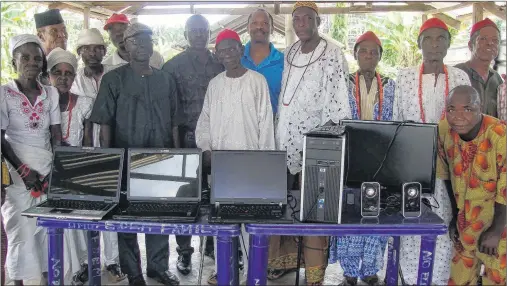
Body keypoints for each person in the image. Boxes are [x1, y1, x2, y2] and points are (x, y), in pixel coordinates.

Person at [89, 23, 180, 286]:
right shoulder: (113, 79)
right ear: (125, 46)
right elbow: (104, 122)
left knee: (159, 215)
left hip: (161, 161)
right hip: (126, 161)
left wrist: (174, 157)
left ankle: (158, 267)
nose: (143, 45)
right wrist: (110, 163)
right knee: (126, 219)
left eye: (147, 40)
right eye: (136, 41)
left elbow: (175, 122)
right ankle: (135, 273)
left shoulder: (165, 79)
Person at [270, 2, 351, 285]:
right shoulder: (290, 52)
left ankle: (315, 275)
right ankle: (284, 263)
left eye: (308, 18)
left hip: (316, 144)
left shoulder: (332, 53)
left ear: (318, 22)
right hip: (284, 141)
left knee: (315, 209)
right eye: (297, 19)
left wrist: (323, 144)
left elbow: (339, 106)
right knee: (284, 206)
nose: (301, 23)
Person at [393, 18, 471, 285]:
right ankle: (409, 278)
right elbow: (396, 123)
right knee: (409, 219)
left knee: (446, 219)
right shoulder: (403, 77)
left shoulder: (460, 77)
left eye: (441, 39)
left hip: (450, 167)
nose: (435, 45)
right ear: (419, 44)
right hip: (410, 165)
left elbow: (468, 119)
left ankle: (437, 278)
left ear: (449, 44)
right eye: (429, 39)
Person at [194, 29, 275, 285]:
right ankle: (224, 271)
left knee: (251, 226)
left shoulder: (257, 81)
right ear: (216, 54)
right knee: (223, 225)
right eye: (222, 50)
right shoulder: (215, 84)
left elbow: (266, 124)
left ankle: (254, 274)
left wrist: (265, 164)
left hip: (251, 164)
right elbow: (204, 121)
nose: (227, 54)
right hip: (222, 166)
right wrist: (206, 150)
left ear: (241, 50)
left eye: (232, 49)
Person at [328, 31, 396, 286]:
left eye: (374, 51)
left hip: (380, 162)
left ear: (380, 56)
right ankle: (348, 273)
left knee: (375, 214)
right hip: (349, 159)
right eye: (363, 51)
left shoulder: (390, 85)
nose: (369, 55)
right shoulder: (343, 83)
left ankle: (370, 270)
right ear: (355, 54)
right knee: (349, 212)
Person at [162, 14, 223, 276]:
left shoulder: (220, 63)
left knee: (217, 196)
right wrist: (175, 150)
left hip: (217, 140)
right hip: (186, 140)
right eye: (194, 30)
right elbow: (170, 111)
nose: (199, 35)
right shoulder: (172, 67)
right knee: (185, 199)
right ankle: (185, 253)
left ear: (209, 33)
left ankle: (211, 246)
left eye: (204, 30)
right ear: (186, 34)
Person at [1, 34, 63, 285]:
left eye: (37, 58)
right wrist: (24, 171)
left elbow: (56, 136)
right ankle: (20, 282)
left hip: (47, 171)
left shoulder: (51, 93)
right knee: (21, 232)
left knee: (47, 233)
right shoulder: (4, 93)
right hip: (17, 175)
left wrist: (54, 172)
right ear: (13, 61)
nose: (32, 62)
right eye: (24, 57)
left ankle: (49, 280)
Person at [70, 28, 127, 283]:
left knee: (110, 205)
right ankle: (86, 260)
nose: (93, 53)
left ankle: (112, 261)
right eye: (87, 49)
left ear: (105, 52)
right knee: (84, 207)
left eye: (98, 48)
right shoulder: (72, 79)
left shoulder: (115, 76)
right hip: (82, 148)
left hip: (113, 145)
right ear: (79, 52)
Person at [436, 85, 506, 285]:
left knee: (496, 278)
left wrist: (496, 230)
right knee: (459, 279)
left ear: (480, 107)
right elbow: (446, 174)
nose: (458, 116)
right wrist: (454, 215)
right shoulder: (444, 130)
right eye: (451, 109)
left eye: (467, 109)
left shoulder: (500, 135)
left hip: (499, 224)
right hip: (465, 221)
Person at [46, 47, 93, 285]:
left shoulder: (85, 104)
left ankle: (83, 265)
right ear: (48, 76)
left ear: (74, 77)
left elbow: (88, 142)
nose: (63, 78)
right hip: (48, 172)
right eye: (57, 73)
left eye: (69, 73)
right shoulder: (41, 104)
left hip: (78, 170)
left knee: (80, 222)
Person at [455, 18, 502, 117]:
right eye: (483, 38)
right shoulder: (456, 74)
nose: (490, 43)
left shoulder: (497, 79)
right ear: (470, 45)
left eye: (495, 40)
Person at [242, 8, 284, 114]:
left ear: (272, 29)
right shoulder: (236, 59)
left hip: (273, 127)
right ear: (247, 28)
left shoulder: (283, 61)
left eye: (265, 23)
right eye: (254, 23)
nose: (259, 27)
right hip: (240, 127)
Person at [34, 9, 68, 85]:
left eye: (64, 30)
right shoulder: (36, 68)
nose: (62, 35)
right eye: (54, 31)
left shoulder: (71, 63)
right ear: (40, 37)